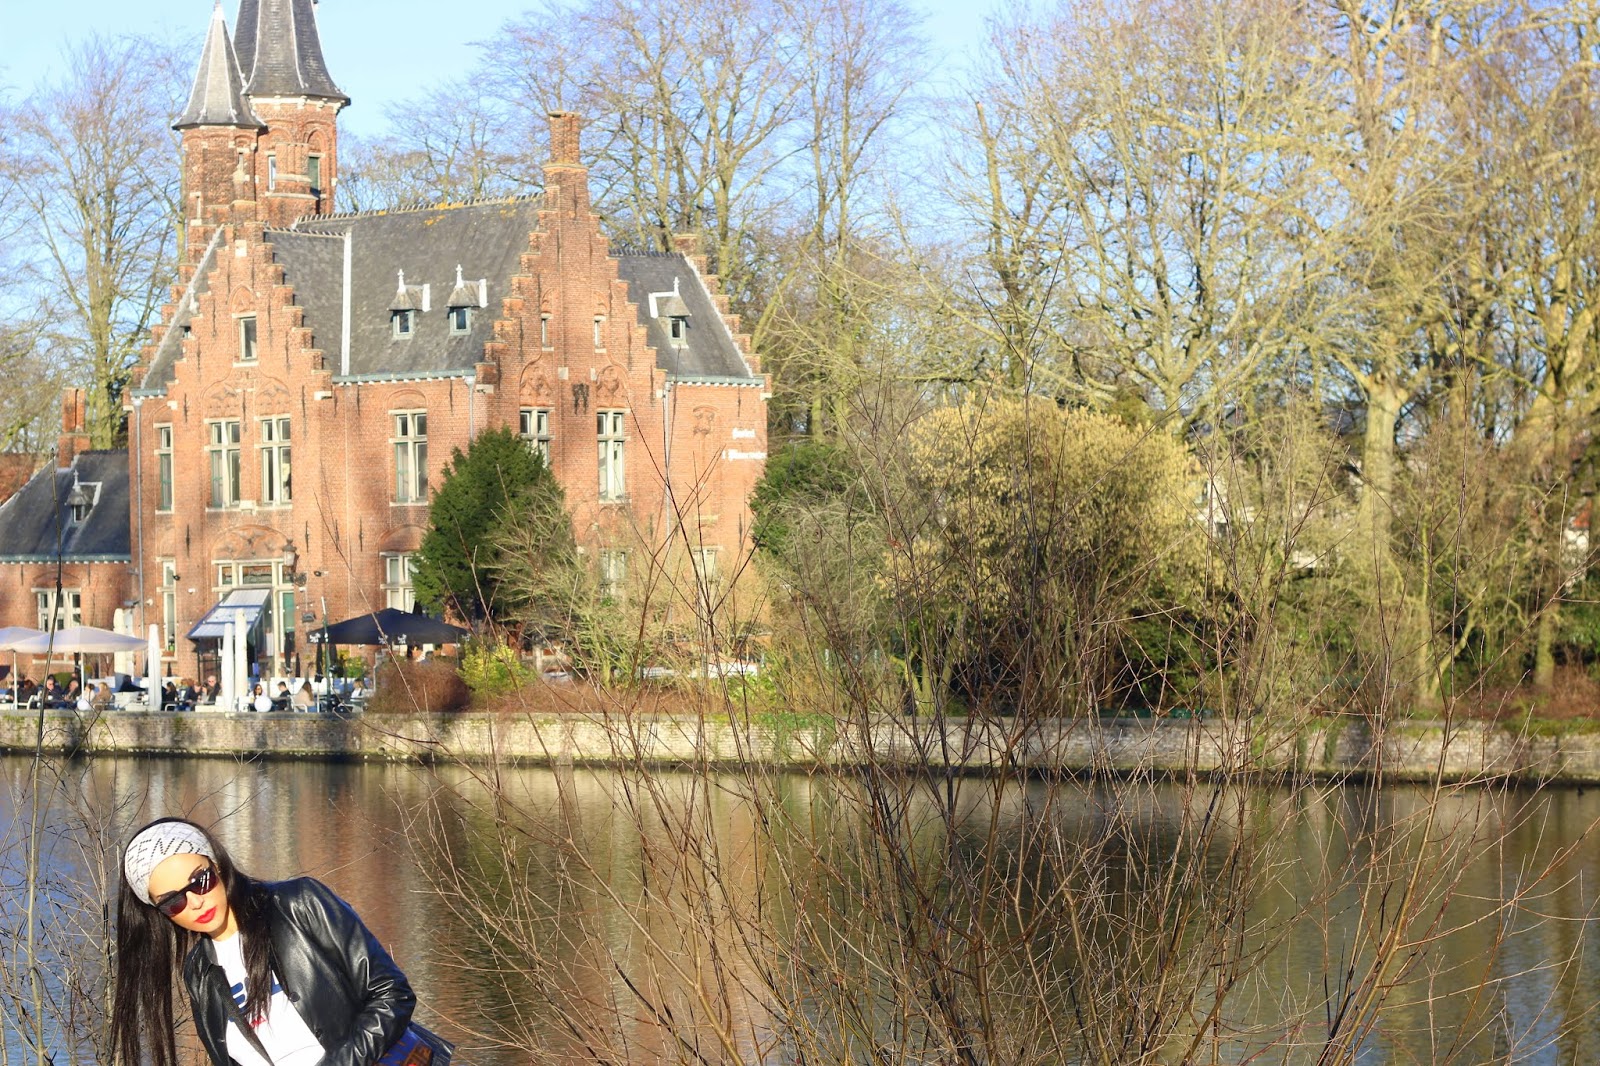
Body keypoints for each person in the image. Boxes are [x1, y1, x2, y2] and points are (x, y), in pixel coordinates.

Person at [111, 817, 415, 1066]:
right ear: (159, 913)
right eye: (173, 901)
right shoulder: (199, 972)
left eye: (200, 882)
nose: (195, 902)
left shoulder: (297, 904)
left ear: (217, 865)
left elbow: (392, 994)